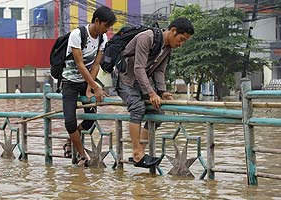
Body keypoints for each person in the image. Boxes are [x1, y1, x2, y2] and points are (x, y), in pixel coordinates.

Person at [115, 17, 194, 168]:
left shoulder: (167, 47)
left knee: (158, 113)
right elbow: (138, 68)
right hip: (125, 80)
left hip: (140, 83)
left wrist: (162, 91)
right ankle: (137, 152)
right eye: (181, 39)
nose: (181, 44)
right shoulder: (147, 38)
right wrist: (151, 93)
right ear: (173, 31)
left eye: (185, 41)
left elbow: (159, 71)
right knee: (137, 108)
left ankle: (140, 153)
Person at [61, 6, 116, 166]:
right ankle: (82, 155)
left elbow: (96, 64)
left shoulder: (102, 38)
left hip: (87, 81)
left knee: (90, 119)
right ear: (96, 21)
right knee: (69, 122)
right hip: (70, 83)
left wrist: (89, 88)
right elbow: (80, 64)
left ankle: (71, 140)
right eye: (106, 25)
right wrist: (96, 87)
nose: (107, 30)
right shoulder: (77, 35)